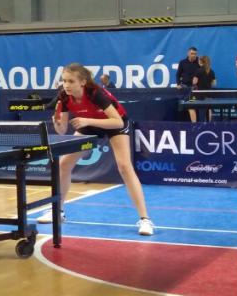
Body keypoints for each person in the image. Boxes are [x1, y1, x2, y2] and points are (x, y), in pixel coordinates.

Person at [46, 62, 155, 236]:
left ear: (82, 82)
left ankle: (145, 219)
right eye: (64, 80)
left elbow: (117, 122)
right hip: (88, 123)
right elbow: (62, 130)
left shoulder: (96, 93)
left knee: (124, 167)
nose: (66, 85)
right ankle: (58, 212)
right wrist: (57, 123)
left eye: (71, 81)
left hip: (113, 124)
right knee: (64, 164)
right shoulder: (64, 96)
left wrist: (87, 121)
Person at [175, 47, 201, 121]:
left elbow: (204, 73)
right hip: (184, 89)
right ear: (188, 53)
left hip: (194, 89)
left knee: (192, 105)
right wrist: (178, 84)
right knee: (183, 107)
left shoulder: (199, 62)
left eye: (195, 54)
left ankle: (195, 124)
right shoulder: (182, 62)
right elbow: (178, 74)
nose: (194, 55)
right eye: (192, 53)